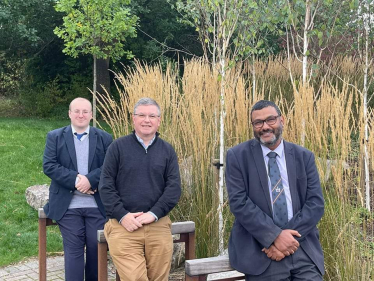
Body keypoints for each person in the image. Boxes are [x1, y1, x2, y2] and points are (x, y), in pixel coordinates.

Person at [225, 100, 324, 281]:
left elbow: (315, 203)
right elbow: (239, 203)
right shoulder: (237, 156)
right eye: (258, 123)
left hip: (301, 248)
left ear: (282, 120)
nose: (265, 127)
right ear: (253, 126)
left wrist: (287, 240)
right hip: (260, 251)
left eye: (270, 120)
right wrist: (274, 237)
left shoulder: (304, 156)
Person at [99, 97, 181, 281]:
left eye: (152, 116)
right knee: (135, 278)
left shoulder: (167, 151)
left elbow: (173, 188)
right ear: (133, 119)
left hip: (157, 224)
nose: (147, 120)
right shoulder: (117, 148)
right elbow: (106, 186)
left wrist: (153, 214)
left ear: (159, 121)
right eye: (141, 115)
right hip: (123, 226)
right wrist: (122, 215)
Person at [43, 97, 112, 281]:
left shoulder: (105, 138)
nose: (81, 115)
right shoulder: (55, 137)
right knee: (73, 250)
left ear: (91, 115)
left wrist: (90, 180)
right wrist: (76, 181)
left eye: (85, 111)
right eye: (77, 111)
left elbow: (110, 166)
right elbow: (49, 165)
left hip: (97, 205)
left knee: (95, 247)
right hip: (68, 205)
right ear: (69, 114)